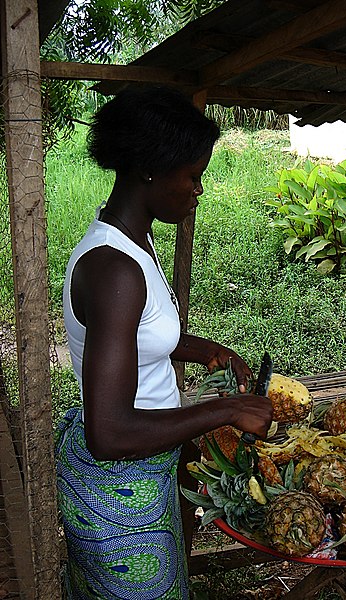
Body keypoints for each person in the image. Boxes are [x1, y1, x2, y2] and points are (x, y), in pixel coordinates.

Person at [55, 86, 273, 600]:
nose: (198, 189)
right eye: (193, 175)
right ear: (151, 169)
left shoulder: (130, 238)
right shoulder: (115, 271)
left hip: (143, 472)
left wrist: (199, 348)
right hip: (119, 490)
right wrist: (227, 410)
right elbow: (107, 433)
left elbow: (134, 333)